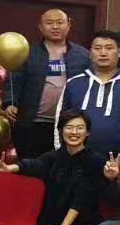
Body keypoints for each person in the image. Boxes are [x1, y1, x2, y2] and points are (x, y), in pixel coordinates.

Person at [5, 9, 92, 158]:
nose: (55, 27)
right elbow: (13, 80)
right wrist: (9, 103)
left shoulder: (83, 55)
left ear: (69, 25)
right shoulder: (27, 53)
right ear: (40, 27)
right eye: (49, 23)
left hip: (68, 125)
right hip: (33, 123)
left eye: (59, 22)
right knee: (31, 166)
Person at [54, 31, 120, 157]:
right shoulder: (74, 83)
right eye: (97, 48)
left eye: (109, 48)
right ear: (90, 53)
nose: (103, 53)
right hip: (76, 158)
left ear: (119, 53)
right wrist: (63, 153)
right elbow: (60, 121)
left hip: (118, 161)